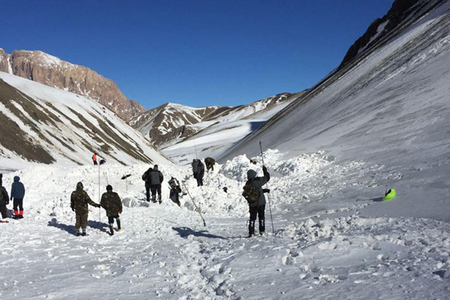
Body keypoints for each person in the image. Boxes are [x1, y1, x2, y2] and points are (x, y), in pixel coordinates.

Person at [246, 166, 270, 237]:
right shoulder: (257, 181)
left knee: (252, 218)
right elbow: (267, 178)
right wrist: (265, 171)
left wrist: (263, 191)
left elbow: (255, 191)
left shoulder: (247, 184)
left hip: (252, 204)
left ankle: (251, 232)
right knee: (261, 217)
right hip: (261, 203)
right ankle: (262, 231)